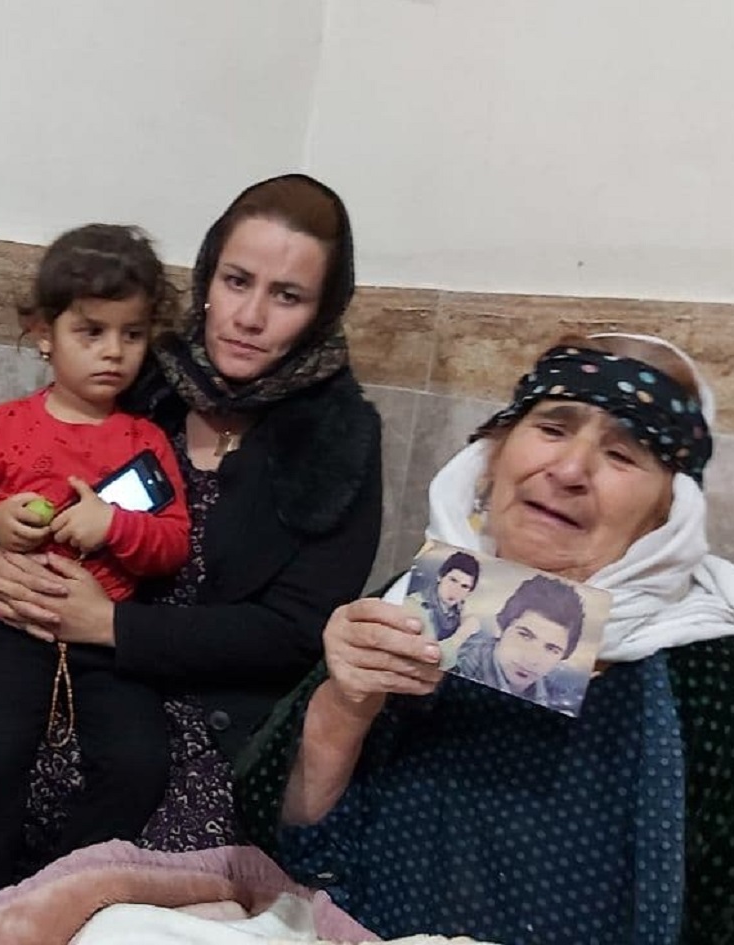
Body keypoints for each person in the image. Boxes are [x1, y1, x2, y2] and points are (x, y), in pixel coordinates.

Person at [0, 174, 384, 887]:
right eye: (236, 280)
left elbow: (293, 632)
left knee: (159, 840)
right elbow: (2, 493)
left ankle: (40, 910)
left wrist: (109, 626)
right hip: (51, 661)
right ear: (206, 276)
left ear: (321, 312)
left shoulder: (338, 441)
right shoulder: (139, 378)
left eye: (286, 296)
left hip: (207, 712)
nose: (249, 316)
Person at [237, 334, 734, 945]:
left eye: (623, 454)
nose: (570, 470)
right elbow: (281, 839)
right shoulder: (419, 603)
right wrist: (344, 706)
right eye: (553, 428)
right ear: (495, 455)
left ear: (667, 512)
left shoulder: (707, 671)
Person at [0, 224, 190, 895]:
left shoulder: (147, 439)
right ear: (43, 331)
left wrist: (114, 526)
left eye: (132, 335)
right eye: (92, 331)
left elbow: (171, 542)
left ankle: (58, 890)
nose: (113, 352)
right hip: (8, 621)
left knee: (138, 760)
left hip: (108, 634)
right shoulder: (6, 424)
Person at [452, 572, 585, 708]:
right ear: (501, 628)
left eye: (551, 649)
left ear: (563, 656)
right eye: (525, 636)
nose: (532, 659)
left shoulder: (558, 697)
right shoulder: (459, 667)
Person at [403, 548, 479, 667]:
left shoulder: (458, 614)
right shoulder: (414, 605)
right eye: (453, 580)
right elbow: (430, 659)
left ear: (469, 592)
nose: (456, 590)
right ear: (440, 577)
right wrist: (462, 633)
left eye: (464, 586)